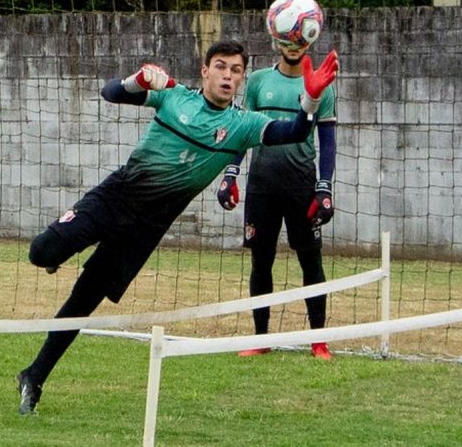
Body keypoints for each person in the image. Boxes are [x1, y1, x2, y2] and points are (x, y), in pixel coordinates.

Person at [17, 39, 338, 414]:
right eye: (220, 66)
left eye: (236, 70)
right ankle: (63, 249)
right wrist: (139, 79)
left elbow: (296, 132)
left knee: (84, 300)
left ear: (241, 80)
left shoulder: (243, 125)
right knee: (41, 253)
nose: (228, 76)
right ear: (205, 70)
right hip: (116, 197)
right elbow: (110, 92)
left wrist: (311, 99)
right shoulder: (173, 96)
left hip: (147, 228)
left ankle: (34, 376)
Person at [215, 37, 338, 360]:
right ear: (276, 40)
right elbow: (243, 130)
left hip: (301, 185)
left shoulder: (321, 84)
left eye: (299, 39)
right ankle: (261, 337)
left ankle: (318, 340)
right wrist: (230, 174)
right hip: (262, 185)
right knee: (261, 260)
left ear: (308, 40)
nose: (293, 46)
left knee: (311, 261)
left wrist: (324, 186)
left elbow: (328, 140)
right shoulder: (257, 81)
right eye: (287, 39)